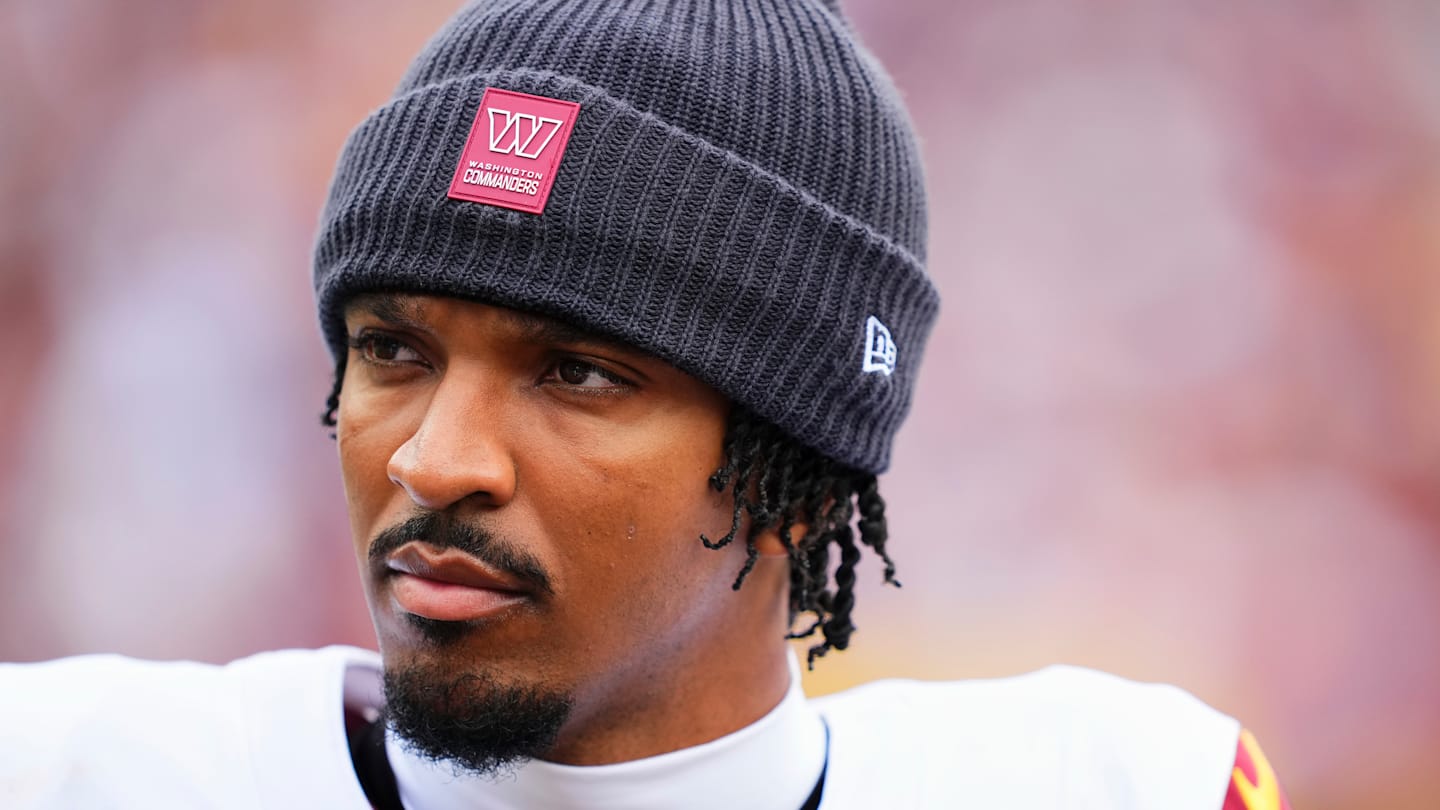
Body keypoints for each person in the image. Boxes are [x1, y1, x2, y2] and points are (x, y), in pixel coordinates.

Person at [0, 1, 1291, 808]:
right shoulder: (63, 769)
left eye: (578, 372)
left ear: (802, 466)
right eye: (393, 350)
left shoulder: (1126, 784)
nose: (435, 461)